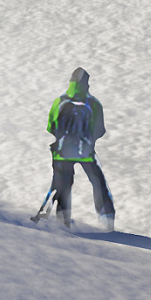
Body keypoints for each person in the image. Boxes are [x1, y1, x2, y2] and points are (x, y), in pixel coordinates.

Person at [42, 67, 116, 230]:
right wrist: (88, 141)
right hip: (85, 152)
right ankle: (107, 221)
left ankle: (62, 221)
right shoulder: (94, 104)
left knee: (64, 184)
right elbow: (100, 130)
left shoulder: (59, 101)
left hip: (61, 153)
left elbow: (50, 127)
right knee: (98, 182)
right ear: (86, 83)